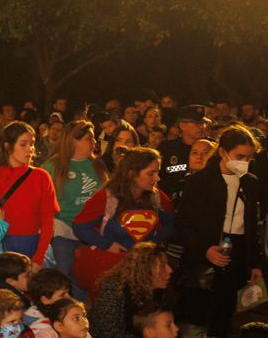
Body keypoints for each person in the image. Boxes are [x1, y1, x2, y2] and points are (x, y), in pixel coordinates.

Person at [173, 125, 265, 338]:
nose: (244, 162)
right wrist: (204, 250)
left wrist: (254, 262)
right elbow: (184, 223)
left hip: (238, 252)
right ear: (223, 152)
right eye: (239, 156)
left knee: (224, 314)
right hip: (204, 254)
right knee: (196, 316)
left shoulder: (250, 183)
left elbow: (252, 226)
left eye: (248, 158)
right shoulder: (199, 181)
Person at [72, 147, 174, 296]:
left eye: (157, 172)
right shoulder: (106, 198)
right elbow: (80, 226)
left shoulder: (158, 197)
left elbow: (172, 224)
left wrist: (152, 244)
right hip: (112, 270)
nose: (157, 178)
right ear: (132, 174)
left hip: (145, 270)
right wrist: (107, 245)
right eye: (151, 173)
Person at [0, 121, 59, 270]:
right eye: (23, 144)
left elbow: (48, 222)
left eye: (32, 144)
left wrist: (38, 259)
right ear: (8, 146)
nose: (30, 149)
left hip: (30, 244)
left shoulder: (41, 177)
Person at [43, 121, 108, 279]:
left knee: (89, 277)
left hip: (93, 232)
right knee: (66, 278)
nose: (94, 142)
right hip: (64, 233)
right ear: (73, 141)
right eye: (89, 138)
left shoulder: (97, 165)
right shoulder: (54, 166)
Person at [156, 105, 210, 201]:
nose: (201, 127)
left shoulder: (212, 147)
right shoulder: (167, 149)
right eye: (195, 123)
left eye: (203, 123)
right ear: (182, 125)